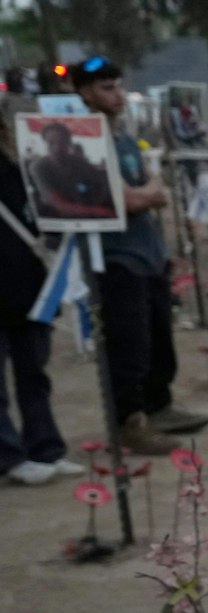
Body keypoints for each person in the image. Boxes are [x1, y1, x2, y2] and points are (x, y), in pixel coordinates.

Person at [75, 57, 208, 454]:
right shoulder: (85, 143)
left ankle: (158, 405)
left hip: (148, 255)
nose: (116, 95)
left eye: (117, 86)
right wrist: (140, 195)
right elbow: (125, 198)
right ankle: (129, 422)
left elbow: (155, 191)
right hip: (117, 259)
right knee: (128, 344)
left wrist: (142, 195)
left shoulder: (125, 139)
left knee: (157, 338)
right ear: (84, 93)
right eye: (105, 88)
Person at [0, 128, 75, 486]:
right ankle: (9, 456)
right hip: (16, 287)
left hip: (30, 289)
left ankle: (45, 447)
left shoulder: (21, 170)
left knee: (35, 374)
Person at [25, 122, 117, 218]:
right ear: (45, 143)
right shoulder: (39, 167)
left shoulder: (77, 161)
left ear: (68, 143)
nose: (57, 147)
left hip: (85, 211)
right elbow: (59, 205)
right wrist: (100, 211)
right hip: (57, 219)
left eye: (62, 142)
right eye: (51, 143)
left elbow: (100, 178)